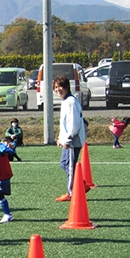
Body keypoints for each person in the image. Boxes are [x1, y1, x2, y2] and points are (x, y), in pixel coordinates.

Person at [54, 74, 86, 202]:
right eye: (56, 87)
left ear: (67, 87)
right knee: (64, 164)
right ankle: (81, 184)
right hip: (68, 139)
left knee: (70, 166)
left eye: (60, 86)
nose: (58, 89)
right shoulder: (66, 101)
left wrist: (68, 140)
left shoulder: (71, 102)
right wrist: (60, 138)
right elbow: (64, 124)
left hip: (73, 140)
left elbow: (74, 123)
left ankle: (72, 192)